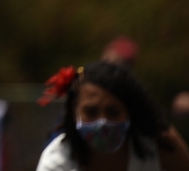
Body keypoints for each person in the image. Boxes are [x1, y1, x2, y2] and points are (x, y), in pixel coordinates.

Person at [36, 61, 189, 171]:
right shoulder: (57, 162)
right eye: (91, 112)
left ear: (130, 111)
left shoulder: (160, 144)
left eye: (113, 112)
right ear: (75, 113)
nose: (102, 122)